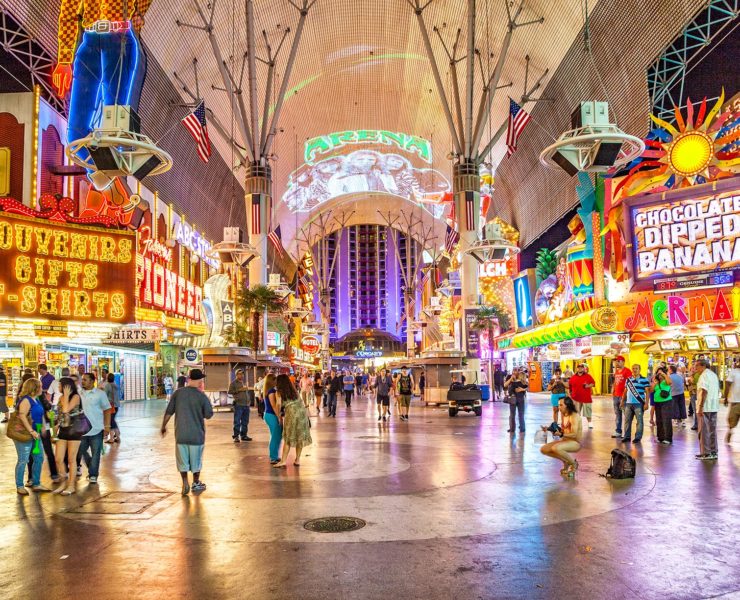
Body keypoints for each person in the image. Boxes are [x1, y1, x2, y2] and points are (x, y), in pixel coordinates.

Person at [161, 369, 214, 495]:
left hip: (181, 434)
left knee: (182, 461)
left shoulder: (178, 393)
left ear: (189, 379)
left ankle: (185, 482)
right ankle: (195, 483)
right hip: (196, 436)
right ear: (200, 381)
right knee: (196, 462)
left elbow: (169, 412)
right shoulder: (201, 396)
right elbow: (208, 415)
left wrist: (163, 426)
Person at [12, 378, 47, 495]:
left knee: (39, 458)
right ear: (34, 388)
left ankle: (36, 483)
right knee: (23, 459)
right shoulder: (26, 400)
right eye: (40, 386)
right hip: (24, 434)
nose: (42, 388)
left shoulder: (36, 399)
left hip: (35, 434)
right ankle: (19, 485)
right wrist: (32, 431)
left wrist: (42, 427)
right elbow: (22, 416)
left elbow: (40, 413)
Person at [76, 372, 112, 484]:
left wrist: (107, 426)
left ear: (92, 381)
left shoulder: (100, 394)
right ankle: (89, 465)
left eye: (85, 380)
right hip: (81, 430)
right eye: (82, 379)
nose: (82, 381)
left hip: (96, 429)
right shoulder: (78, 393)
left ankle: (93, 475)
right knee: (79, 452)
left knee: (96, 453)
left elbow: (107, 410)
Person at [53, 376, 84, 495]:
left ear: (67, 387)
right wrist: (54, 432)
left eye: (61, 385)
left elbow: (66, 409)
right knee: (59, 459)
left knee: (71, 459)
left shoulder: (76, 397)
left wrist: (66, 395)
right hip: (63, 430)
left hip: (74, 431)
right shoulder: (61, 397)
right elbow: (60, 416)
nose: (59, 387)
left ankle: (71, 485)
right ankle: (63, 482)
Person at [273, 374, 312, 468]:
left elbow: (278, 404)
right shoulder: (293, 390)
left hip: (291, 413)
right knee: (300, 436)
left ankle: (283, 461)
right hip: (302, 412)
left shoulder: (278, 392)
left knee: (288, 438)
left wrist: (278, 416)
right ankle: (297, 460)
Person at [540, 396, 583, 477]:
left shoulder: (574, 416)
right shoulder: (564, 415)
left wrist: (561, 434)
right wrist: (549, 429)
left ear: (567, 405)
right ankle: (566, 461)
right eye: (559, 405)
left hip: (575, 443)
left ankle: (573, 463)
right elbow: (563, 430)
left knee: (555, 448)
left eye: (561, 405)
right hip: (565, 440)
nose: (558, 407)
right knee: (544, 449)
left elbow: (574, 434)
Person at [620, 364, 652, 444]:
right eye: (633, 368)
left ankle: (638, 438)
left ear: (639, 369)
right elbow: (625, 391)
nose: (634, 370)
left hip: (639, 404)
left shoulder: (644, 380)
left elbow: (647, 392)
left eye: (636, 368)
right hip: (628, 403)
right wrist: (622, 401)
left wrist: (646, 403)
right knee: (627, 421)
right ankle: (627, 437)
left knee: (639, 421)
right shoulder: (628, 380)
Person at [695, 359, 720, 460]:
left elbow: (704, 391)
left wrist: (701, 406)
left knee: (704, 430)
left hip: (705, 407)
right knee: (712, 430)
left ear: (703, 366)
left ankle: (705, 452)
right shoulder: (713, 375)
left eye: (697, 366)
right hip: (714, 406)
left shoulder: (704, 376)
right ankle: (713, 451)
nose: (695, 368)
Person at [568, 363, 596, 429]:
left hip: (586, 398)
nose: (580, 368)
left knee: (588, 411)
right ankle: (577, 424)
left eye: (581, 367)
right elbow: (570, 387)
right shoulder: (573, 377)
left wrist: (588, 386)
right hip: (576, 398)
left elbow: (593, 383)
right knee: (576, 412)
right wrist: (571, 395)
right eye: (578, 367)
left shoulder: (588, 376)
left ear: (583, 368)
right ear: (577, 368)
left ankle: (590, 423)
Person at [262, 374, 282, 464]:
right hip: (271, 415)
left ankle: (275, 455)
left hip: (268, 415)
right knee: (275, 436)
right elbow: (274, 405)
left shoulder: (268, 390)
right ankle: (273, 457)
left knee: (276, 435)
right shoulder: (271, 391)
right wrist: (279, 416)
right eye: (275, 380)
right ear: (272, 380)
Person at [611, 356, 631, 438]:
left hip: (624, 396)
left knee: (626, 414)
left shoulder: (627, 371)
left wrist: (625, 396)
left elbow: (629, 384)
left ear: (623, 362)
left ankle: (627, 433)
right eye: (616, 361)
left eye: (618, 361)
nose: (617, 363)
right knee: (617, 414)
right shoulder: (616, 371)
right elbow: (616, 382)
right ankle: (618, 431)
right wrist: (613, 389)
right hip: (616, 395)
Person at [229, 369, 252, 443]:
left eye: (242, 374)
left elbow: (245, 392)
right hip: (239, 405)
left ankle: (244, 435)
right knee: (237, 421)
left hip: (246, 405)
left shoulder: (244, 382)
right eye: (239, 374)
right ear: (236, 375)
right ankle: (236, 436)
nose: (241, 375)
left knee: (245, 421)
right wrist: (239, 390)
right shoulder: (233, 383)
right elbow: (230, 391)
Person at [653, 369, 674, 444]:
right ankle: (661, 437)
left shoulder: (666, 381)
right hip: (657, 402)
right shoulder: (656, 382)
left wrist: (664, 375)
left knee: (666, 420)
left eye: (661, 373)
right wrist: (654, 382)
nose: (660, 375)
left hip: (666, 402)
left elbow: (670, 382)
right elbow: (651, 390)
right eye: (658, 373)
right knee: (659, 420)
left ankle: (668, 438)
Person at [504, 368, 528, 434]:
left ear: (518, 372)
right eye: (513, 371)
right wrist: (511, 379)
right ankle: (512, 429)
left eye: (516, 371)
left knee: (521, 414)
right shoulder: (509, 377)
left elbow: (528, 387)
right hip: (512, 399)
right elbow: (505, 385)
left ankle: (522, 428)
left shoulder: (521, 378)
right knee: (512, 415)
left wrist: (522, 389)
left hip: (520, 399)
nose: (514, 373)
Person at [724, 360, 740, 444]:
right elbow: (727, 384)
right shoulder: (734, 372)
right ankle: (730, 431)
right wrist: (726, 397)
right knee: (732, 419)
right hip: (735, 401)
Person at [104, 373, 121, 443]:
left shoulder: (107, 385)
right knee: (112, 421)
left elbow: (104, 395)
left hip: (111, 406)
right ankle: (117, 436)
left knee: (111, 421)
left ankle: (115, 438)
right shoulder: (115, 385)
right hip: (116, 405)